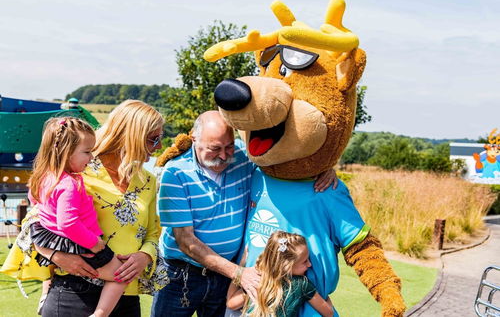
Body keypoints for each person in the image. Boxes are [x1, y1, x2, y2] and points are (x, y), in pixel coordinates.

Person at [152, 110, 337, 317]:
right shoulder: (175, 173)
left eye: (229, 146)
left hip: (224, 278)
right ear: (195, 138)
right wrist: (239, 273)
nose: (223, 156)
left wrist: (322, 168)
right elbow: (186, 241)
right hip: (180, 276)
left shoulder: (243, 156)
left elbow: (283, 159)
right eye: (215, 149)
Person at [1, 100, 165, 317]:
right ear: (131, 134)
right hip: (73, 293)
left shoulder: (148, 181)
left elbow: (153, 233)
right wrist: (56, 256)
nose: (159, 147)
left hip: (126, 298)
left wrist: (145, 256)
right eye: (154, 139)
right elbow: (34, 223)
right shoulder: (77, 168)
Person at [27, 116, 126, 317]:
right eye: (87, 152)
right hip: (82, 244)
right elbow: (68, 222)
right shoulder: (69, 184)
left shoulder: (42, 178)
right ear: (65, 152)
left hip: (57, 244)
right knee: (121, 275)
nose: (91, 158)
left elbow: (36, 204)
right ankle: (100, 314)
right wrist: (95, 244)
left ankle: (45, 292)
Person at [227, 231, 334, 317]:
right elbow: (328, 313)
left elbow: (231, 304)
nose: (310, 264)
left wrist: (242, 267)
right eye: (305, 261)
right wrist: (325, 293)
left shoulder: (258, 279)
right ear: (286, 266)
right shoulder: (302, 284)